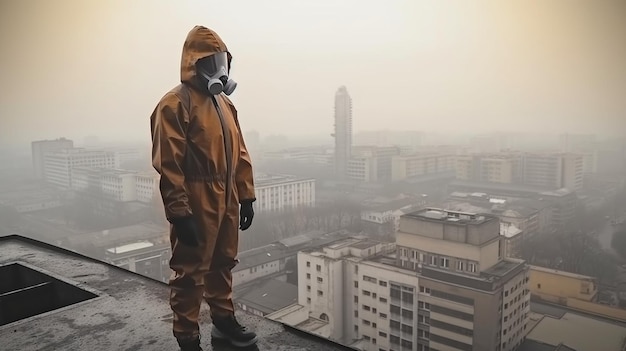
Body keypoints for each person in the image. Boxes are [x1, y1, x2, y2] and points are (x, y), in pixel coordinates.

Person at [150, 25, 257, 351]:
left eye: (222, 62)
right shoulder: (174, 104)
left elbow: (239, 154)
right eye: (211, 62)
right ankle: (188, 337)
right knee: (190, 272)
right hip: (196, 200)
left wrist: (246, 195)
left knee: (223, 262)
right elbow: (170, 166)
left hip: (226, 200)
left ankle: (224, 321)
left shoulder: (224, 105)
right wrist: (181, 213)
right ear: (193, 63)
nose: (218, 70)